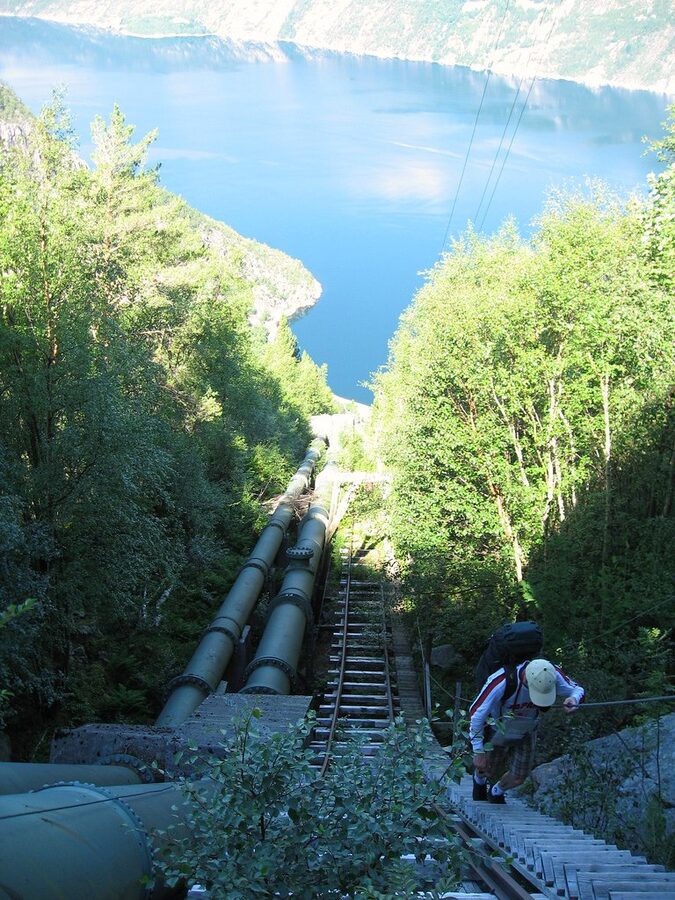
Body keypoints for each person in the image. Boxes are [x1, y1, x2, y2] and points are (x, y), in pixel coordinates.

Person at [469, 657, 585, 803]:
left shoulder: (551, 674)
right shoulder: (501, 681)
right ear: (526, 680)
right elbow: (476, 713)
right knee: (487, 769)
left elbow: (578, 689)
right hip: (499, 728)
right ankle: (479, 782)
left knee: (519, 777)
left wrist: (574, 699)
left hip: (527, 728)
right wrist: (478, 751)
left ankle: (496, 792)